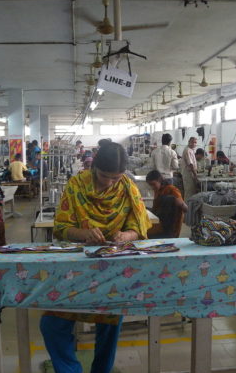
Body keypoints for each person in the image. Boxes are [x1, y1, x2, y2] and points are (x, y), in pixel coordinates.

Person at [44, 143, 151, 373]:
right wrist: (83, 234)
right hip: (75, 268)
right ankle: (69, 370)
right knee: (52, 324)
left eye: (116, 177)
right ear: (94, 167)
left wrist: (126, 235)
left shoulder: (127, 188)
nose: (109, 183)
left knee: (111, 323)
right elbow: (61, 227)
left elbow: (139, 228)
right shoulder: (76, 185)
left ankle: (101, 370)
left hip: (112, 268)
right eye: (104, 176)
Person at [146, 170, 187, 238]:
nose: (152, 187)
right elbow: (155, 209)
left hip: (170, 228)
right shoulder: (158, 190)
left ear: (159, 180)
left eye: (153, 184)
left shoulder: (172, 190)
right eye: (150, 185)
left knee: (143, 234)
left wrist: (180, 203)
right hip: (161, 220)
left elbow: (186, 209)